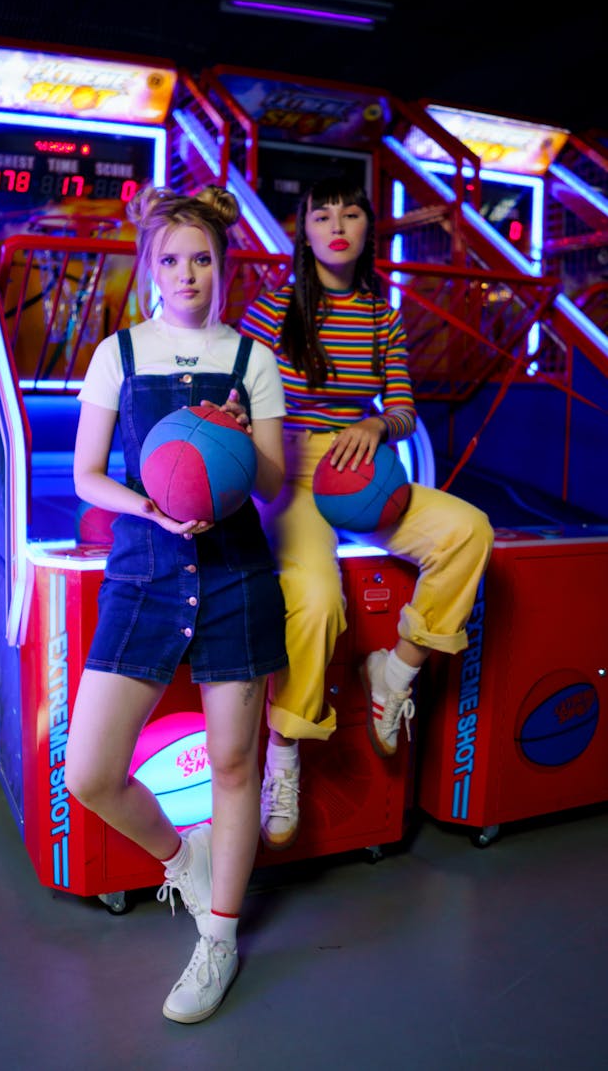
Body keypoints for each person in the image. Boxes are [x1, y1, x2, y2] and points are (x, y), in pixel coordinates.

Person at [64, 184, 288, 1024]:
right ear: (150, 266)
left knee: (236, 766)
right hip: (145, 571)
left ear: (224, 266)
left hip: (234, 573)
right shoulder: (117, 353)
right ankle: (184, 859)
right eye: (170, 258)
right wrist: (149, 508)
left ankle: (220, 937)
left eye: (202, 258)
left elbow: (270, 481)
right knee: (90, 770)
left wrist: (231, 436)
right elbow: (90, 475)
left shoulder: (252, 360)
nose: (186, 273)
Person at [239, 174, 494, 850]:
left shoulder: (383, 315)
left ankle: (396, 668)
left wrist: (379, 425)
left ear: (367, 229)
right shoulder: (272, 309)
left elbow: (405, 408)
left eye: (351, 212)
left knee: (469, 530)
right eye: (323, 214)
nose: (338, 223)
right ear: (304, 230)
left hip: (362, 470)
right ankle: (286, 748)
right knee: (318, 600)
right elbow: (237, 397)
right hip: (288, 470)